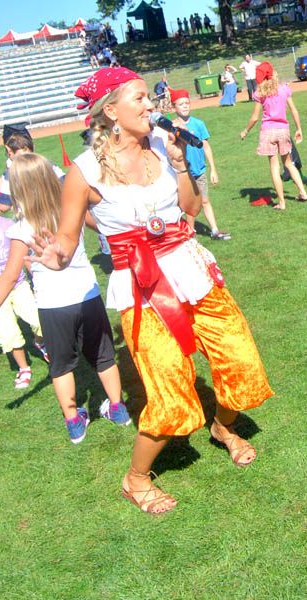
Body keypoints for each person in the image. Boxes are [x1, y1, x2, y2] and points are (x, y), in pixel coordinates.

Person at [31, 66, 273, 512]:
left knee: (239, 356)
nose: (151, 105)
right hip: (141, 287)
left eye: (149, 97)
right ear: (111, 111)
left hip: (192, 269)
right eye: (140, 98)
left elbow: (191, 208)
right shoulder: (82, 173)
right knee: (170, 384)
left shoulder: (162, 145)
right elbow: (67, 238)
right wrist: (57, 256)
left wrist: (181, 164)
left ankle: (222, 427)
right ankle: (136, 478)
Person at [0, 153, 131, 444]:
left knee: (61, 366)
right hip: (88, 296)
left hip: (54, 308)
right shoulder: (72, 210)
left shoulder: (21, 229)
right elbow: (105, 225)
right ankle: (118, 408)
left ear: (18, 189)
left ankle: (74, 423)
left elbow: (7, 278)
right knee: (104, 356)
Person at [0, 174, 47, 389]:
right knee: (8, 335)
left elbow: (24, 255)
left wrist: (36, 276)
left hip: (19, 285)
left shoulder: (9, 226)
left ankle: (40, 342)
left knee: (40, 320)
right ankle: (24, 367)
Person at [240, 61, 307, 210]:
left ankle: (282, 203)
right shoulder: (284, 89)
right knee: (289, 163)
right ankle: (303, 192)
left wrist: (245, 130)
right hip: (283, 130)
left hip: (268, 132)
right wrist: (299, 129)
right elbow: (294, 110)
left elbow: (254, 117)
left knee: (274, 166)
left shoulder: (259, 93)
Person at [170, 88, 230, 240]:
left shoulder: (198, 124)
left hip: (199, 170)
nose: (185, 106)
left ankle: (214, 230)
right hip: (182, 174)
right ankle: (188, 235)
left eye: (187, 103)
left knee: (204, 200)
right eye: (181, 104)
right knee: (185, 206)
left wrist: (213, 169)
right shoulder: (171, 127)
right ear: (173, 107)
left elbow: (206, 146)